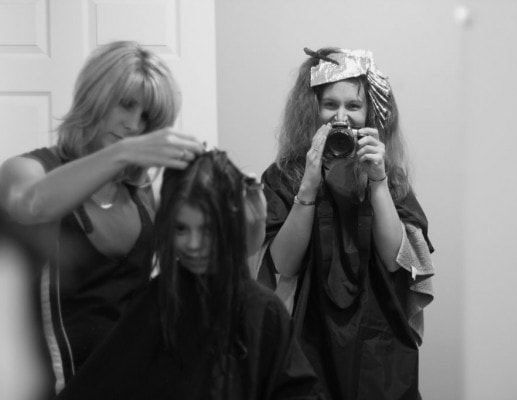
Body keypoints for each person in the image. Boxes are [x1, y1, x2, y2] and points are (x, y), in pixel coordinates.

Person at [0, 40, 204, 397]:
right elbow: (29, 205)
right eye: (125, 105)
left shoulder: (140, 192)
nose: (133, 125)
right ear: (95, 96)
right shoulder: (28, 170)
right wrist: (125, 151)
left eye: (146, 118)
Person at [54, 150, 324, 400]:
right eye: (181, 229)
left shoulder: (263, 312)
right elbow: (96, 386)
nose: (193, 244)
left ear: (228, 224)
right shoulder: (156, 304)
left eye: (207, 229)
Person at [257, 47, 436, 400]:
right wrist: (307, 185)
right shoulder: (285, 176)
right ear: (313, 110)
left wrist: (378, 182)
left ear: (370, 112)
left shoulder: (390, 178)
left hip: (379, 344)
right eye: (330, 105)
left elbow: (396, 259)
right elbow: (282, 265)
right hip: (307, 338)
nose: (342, 117)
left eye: (353, 106)